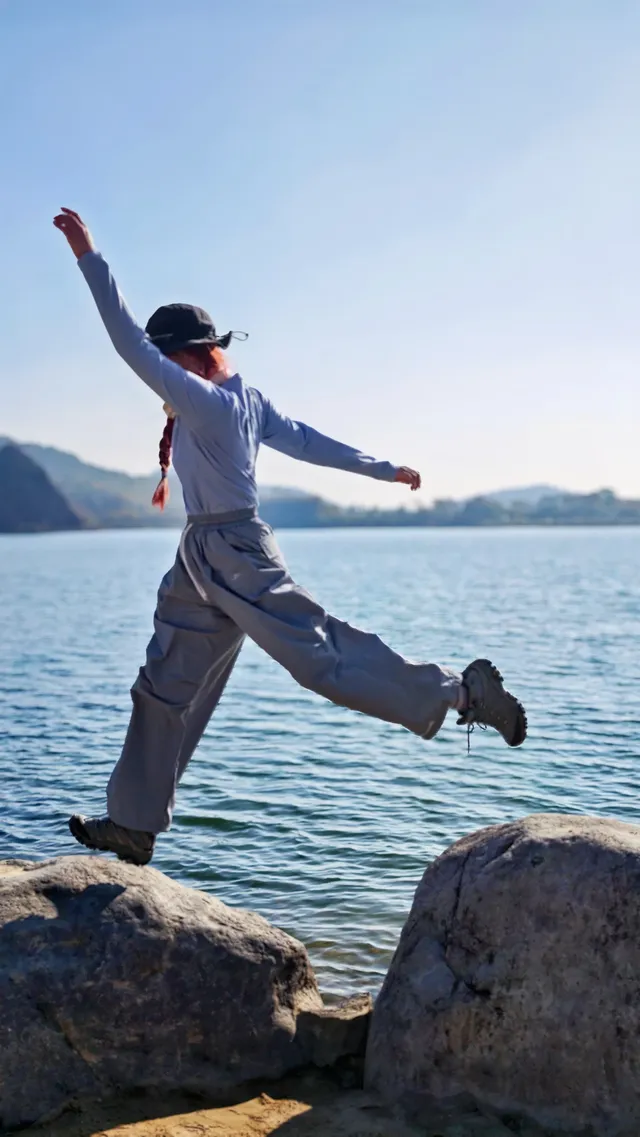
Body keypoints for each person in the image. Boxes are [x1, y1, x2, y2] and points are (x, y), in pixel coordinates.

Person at [54, 207, 527, 867]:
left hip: (238, 553)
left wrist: (88, 256)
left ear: (189, 357)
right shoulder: (239, 400)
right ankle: (133, 824)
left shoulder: (212, 402)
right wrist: (383, 467)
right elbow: (308, 440)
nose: (160, 377)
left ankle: (463, 690)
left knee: (321, 658)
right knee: (161, 686)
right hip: (200, 559)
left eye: (167, 362)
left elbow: (128, 342)